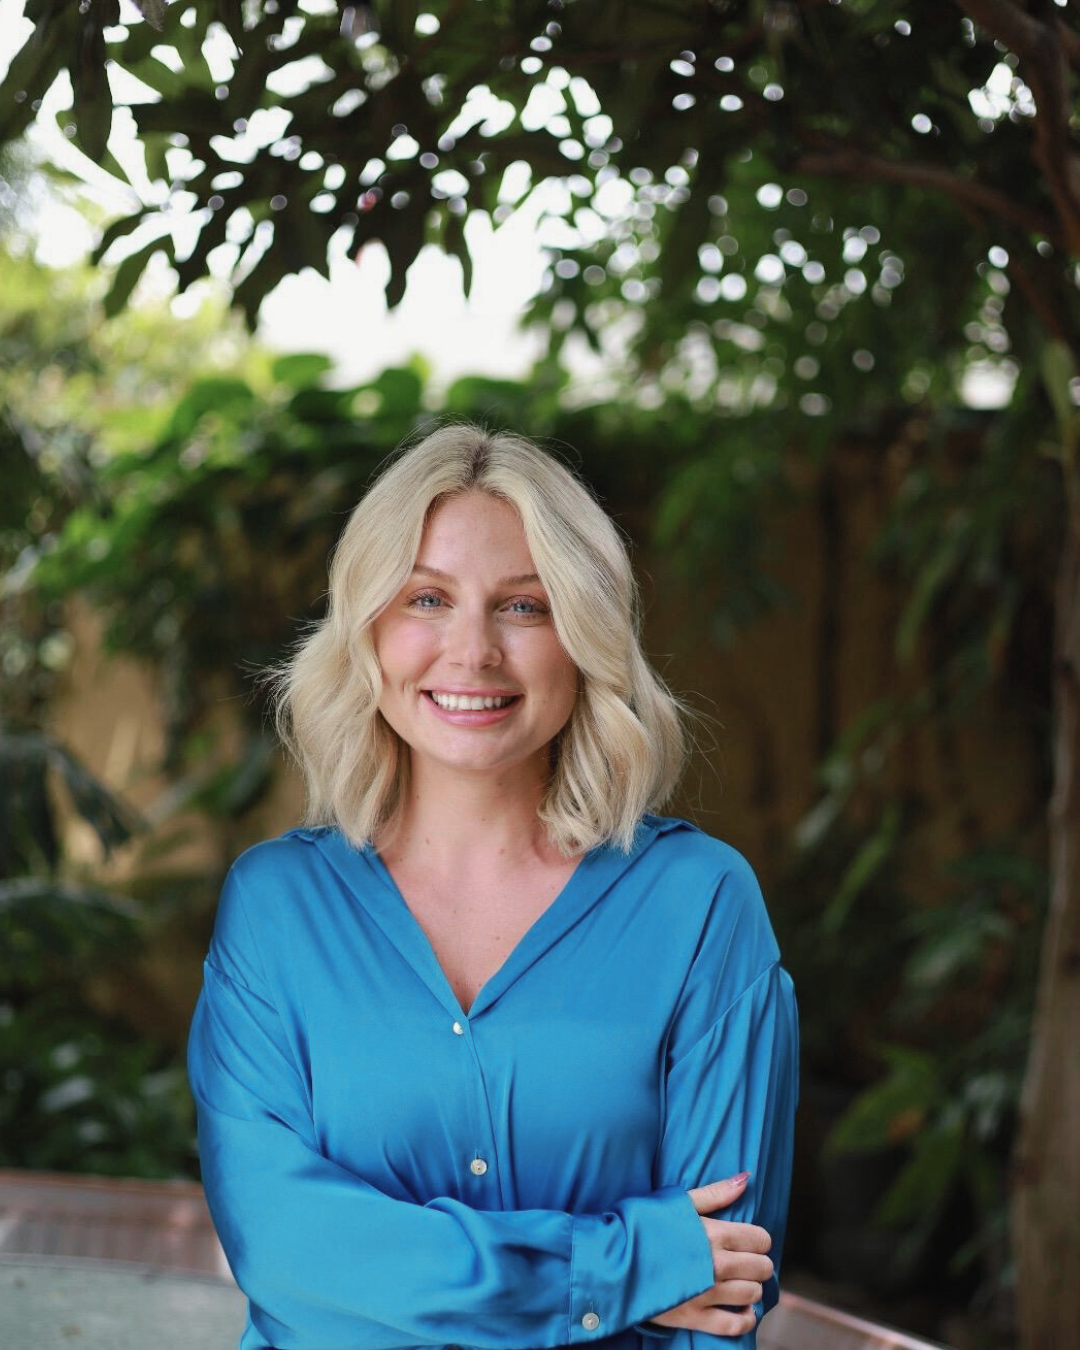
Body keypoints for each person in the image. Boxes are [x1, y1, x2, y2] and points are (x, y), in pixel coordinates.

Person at [187, 423, 799, 1350]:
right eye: (427, 598)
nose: (472, 651)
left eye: (524, 606)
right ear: (367, 630)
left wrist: (419, 1278)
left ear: (585, 635)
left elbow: (723, 1292)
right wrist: (622, 1268)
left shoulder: (700, 906)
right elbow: (285, 1250)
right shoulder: (277, 907)